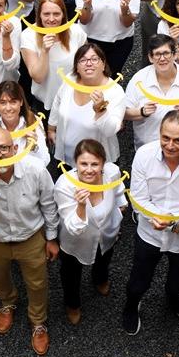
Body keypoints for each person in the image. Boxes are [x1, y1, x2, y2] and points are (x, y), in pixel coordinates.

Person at [0, 128, 59, 356]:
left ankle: (38, 321)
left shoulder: (35, 169)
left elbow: (48, 204)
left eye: (4, 148)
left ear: (15, 149)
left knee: (37, 283)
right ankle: (8, 302)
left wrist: (52, 238)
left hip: (30, 237)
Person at [122, 111, 179, 335]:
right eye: (165, 138)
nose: (170, 145)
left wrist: (174, 223)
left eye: (178, 140)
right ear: (159, 133)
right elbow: (139, 200)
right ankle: (132, 305)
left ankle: (174, 298)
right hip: (149, 233)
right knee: (138, 279)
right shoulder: (144, 155)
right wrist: (177, 222)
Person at [54, 139, 127, 325]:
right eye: (83, 164)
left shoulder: (111, 172)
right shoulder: (64, 185)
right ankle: (72, 304)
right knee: (70, 274)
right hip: (75, 243)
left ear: (103, 163)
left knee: (104, 260)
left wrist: (120, 207)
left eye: (94, 164)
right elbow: (73, 227)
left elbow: (118, 191)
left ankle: (100, 279)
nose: (89, 169)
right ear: (75, 163)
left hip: (107, 234)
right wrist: (80, 206)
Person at [125, 34, 179, 149]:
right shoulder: (139, 79)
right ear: (150, 58)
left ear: (174, 55)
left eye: (166, 53)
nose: (162, 58)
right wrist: (141, 112)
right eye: (157, 54)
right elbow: (125, 113)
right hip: (148, 149)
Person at [47, 44, 125, 168]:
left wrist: (101, 110)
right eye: (83, 60)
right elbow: (57, 102)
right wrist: (51, 128)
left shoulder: (115, 91)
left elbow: (110, 130)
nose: (89, 63)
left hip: (96, 165)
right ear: (77, 67)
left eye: (94, 59)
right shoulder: (70, 80)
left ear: (103, 64)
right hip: (67, 159)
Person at [20, 0, 87, 115]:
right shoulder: (28, 35)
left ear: (63, 15)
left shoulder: (76, 31)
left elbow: (87, 65)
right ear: (39, 15)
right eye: (46, 14)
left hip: (75, 99)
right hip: (45, 103)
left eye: (56, 14)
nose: (51, 19)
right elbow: (38, 77)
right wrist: (45, 51)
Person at [0, 80, 50, 167]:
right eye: (3, 103)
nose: (8, 108)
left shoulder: (34, 122)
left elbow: (45, 161)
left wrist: (34, 148)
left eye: (13, 102)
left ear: (21, 102)